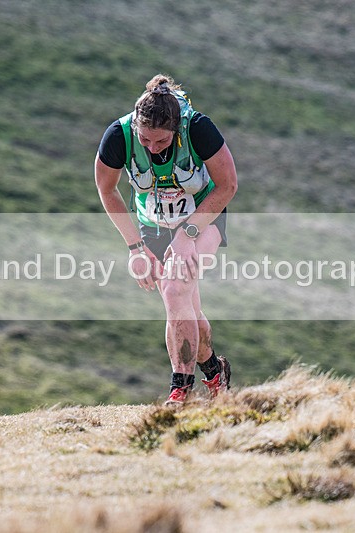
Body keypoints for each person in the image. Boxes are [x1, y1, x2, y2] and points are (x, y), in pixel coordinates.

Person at [95, 74, 238, 405]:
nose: (152, 148)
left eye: (161, 141)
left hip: (203, 219)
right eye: (145, 140)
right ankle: (215, 372)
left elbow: (228, 185)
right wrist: (135, 248)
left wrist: (188, 233)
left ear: (176, 130)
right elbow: (106, 188)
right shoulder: (119, 135)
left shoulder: (198, 128)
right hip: (154, 225)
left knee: (175, 291)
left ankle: (180, 391)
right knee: (185, 308)